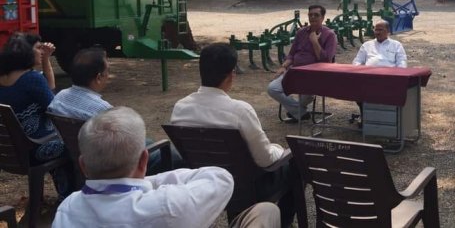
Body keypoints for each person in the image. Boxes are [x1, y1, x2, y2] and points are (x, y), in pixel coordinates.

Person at [171, 42, 298, 227]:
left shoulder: (180, 108)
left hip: (203, 185)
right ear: (231, 75)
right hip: (246, 189)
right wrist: (280, 150)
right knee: (295, 163)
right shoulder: (240, 111)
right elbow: (265, 160)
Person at [51, 107, 234, 227]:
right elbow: (220, 177)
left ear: (83, 165)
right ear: (143, 160)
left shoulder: (68, 208)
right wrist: (146, 183)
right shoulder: (165, 206)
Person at [48, 47, 176, 174]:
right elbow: (124, 144)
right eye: (107, 71)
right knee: (173, 154)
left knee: (149, 142)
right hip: (110, 164)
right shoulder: (103, 111)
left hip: (79, 156)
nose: (108, 76)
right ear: (98, 77)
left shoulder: (59, 98)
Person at [0, 35, 74, 197]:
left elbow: (49, 88)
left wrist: (46, 59)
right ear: (25, 52)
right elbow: (56, 110)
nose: (42, 51)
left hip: (10, 155)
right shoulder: (30, 79)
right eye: (38, 48)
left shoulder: (6, 79)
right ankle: (68, 196)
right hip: (35, 151)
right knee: (76, 144)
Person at [267, 4, 336, 121]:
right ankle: (301, 112)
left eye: (316, 15)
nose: (313, 17)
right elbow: (292, 54)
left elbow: (326, 61)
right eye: (310, 15)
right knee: (272, 88)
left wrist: (314, 41)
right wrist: (284, 66)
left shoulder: (330, 35)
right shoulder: (301, 32)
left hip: (315, 75)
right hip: (294, 72)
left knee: (307, 96)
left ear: (323, 17)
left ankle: (296, 111)